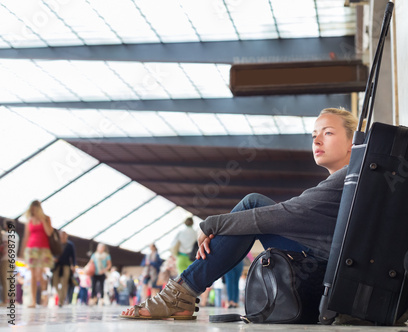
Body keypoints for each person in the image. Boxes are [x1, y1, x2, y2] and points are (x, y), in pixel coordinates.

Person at [120, 107, 356, 320]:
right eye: (313, 134)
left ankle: (181, 293)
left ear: (352, 141)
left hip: (326, 273)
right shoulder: (350, 179)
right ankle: (183, 293)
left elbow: (287, 214)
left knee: (252, 205)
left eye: (327, 133)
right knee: (253, 206)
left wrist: (213, 224)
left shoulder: (347, 177)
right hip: (328, 268)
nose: (316, 139)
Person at [19, 200, 55, 308]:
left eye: (36, 208)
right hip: (31, 250)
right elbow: (26, 236)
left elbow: (49, 232)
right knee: (33, 276)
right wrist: (22, 253)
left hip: (43, 250)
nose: (34, 210)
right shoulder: (29, 220)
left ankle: (44, 294)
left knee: (39, 275)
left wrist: (43, 220)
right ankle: (33, 301)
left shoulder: (46, 218)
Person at [52, 231, 76, 307]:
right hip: (57, 266)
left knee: (64, 283)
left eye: (64, 234)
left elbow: (73, 256)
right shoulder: (57, 243)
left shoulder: (70, 245)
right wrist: (53, 258)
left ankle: (61, 301)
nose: (62, 236)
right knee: (55, 282)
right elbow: (52, 252)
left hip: (66, 266)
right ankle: (60, 296)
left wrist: (73, 265)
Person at [1, 219, 19, 306]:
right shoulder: (16, 236)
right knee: (12, 280)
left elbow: (4, 248)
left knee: (5, 280)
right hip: (14, 260)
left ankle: (5, 300)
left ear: (6, 226)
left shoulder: (6, 235)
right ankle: (12, 300)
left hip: (5, 259)